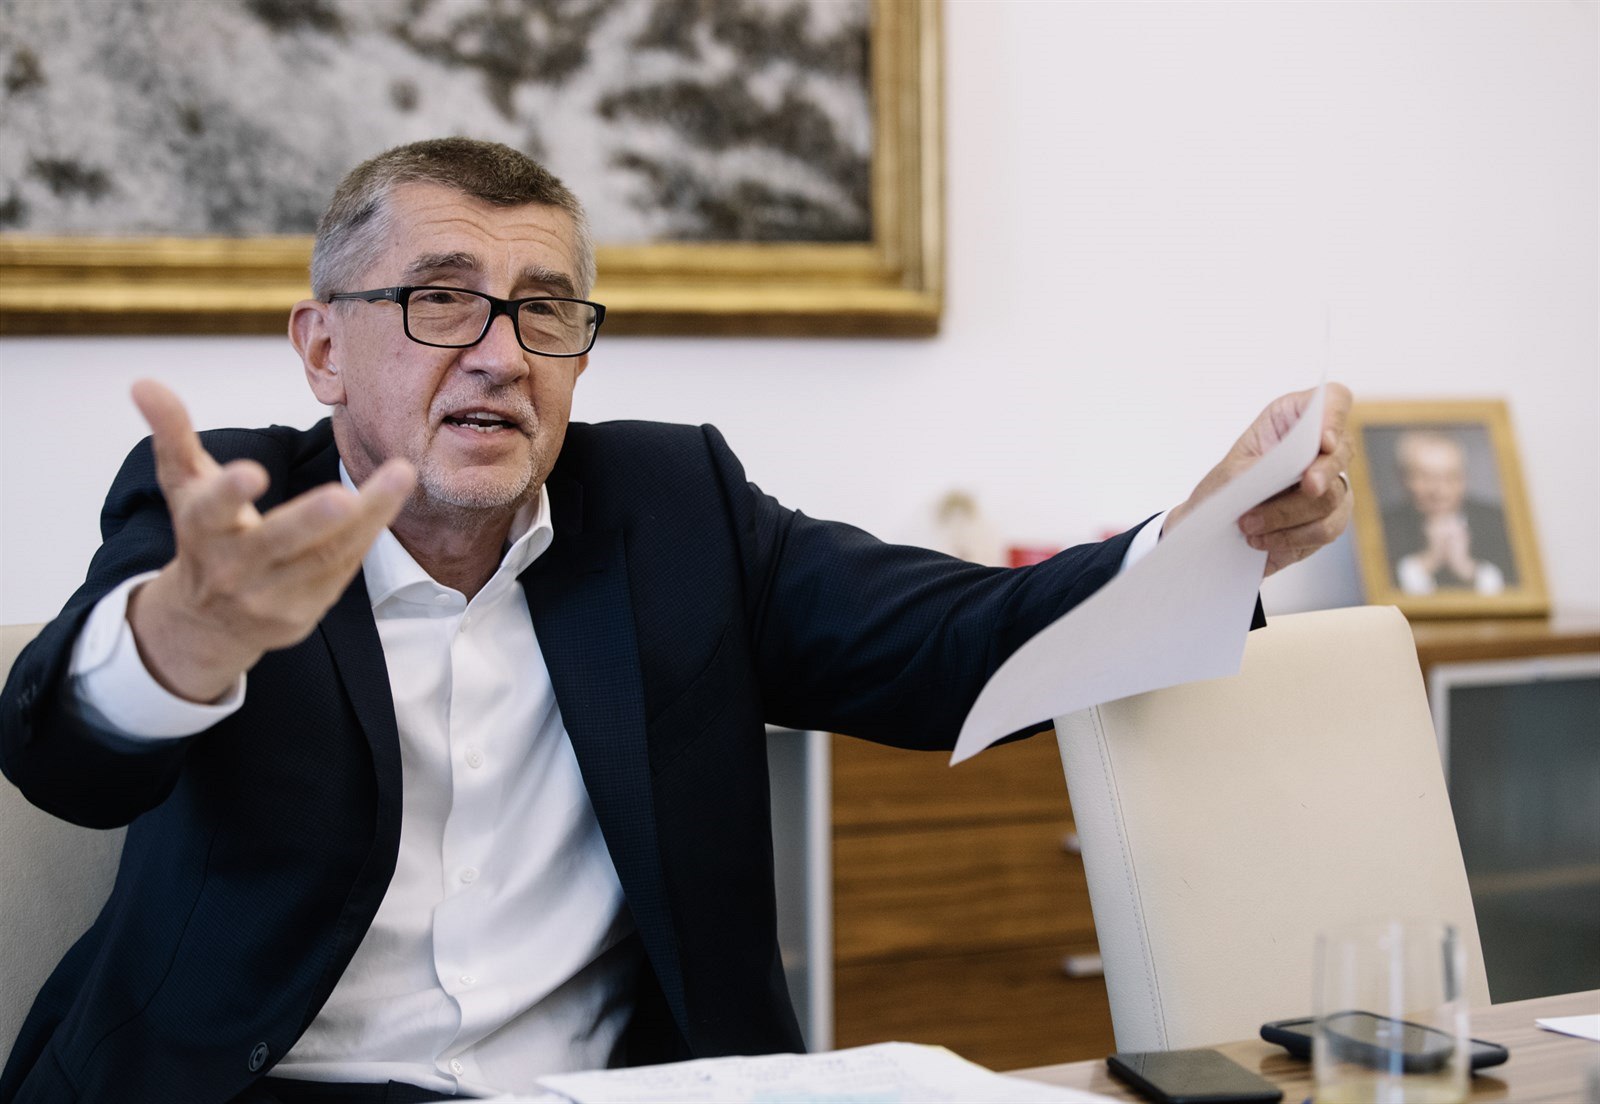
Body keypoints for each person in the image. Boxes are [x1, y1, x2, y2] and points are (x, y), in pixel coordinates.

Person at [0, 138, 1353, 1104]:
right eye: (441, 299)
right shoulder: (232, 517)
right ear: (321, 348)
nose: (499, 353)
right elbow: (60, 756)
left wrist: (1206, 536)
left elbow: (958, 643)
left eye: (544, 310)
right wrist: (180, 646)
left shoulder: (670, 507)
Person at [1385, 429, 1514, 595]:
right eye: (1426, 478)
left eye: (1451, 477)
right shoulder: (1382, 529)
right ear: (1403, 478)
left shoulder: (1499, 522)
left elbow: (1516, 594)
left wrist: (1470, 570)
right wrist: (1426, 562)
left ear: (1465, 478)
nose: (1440, 491)